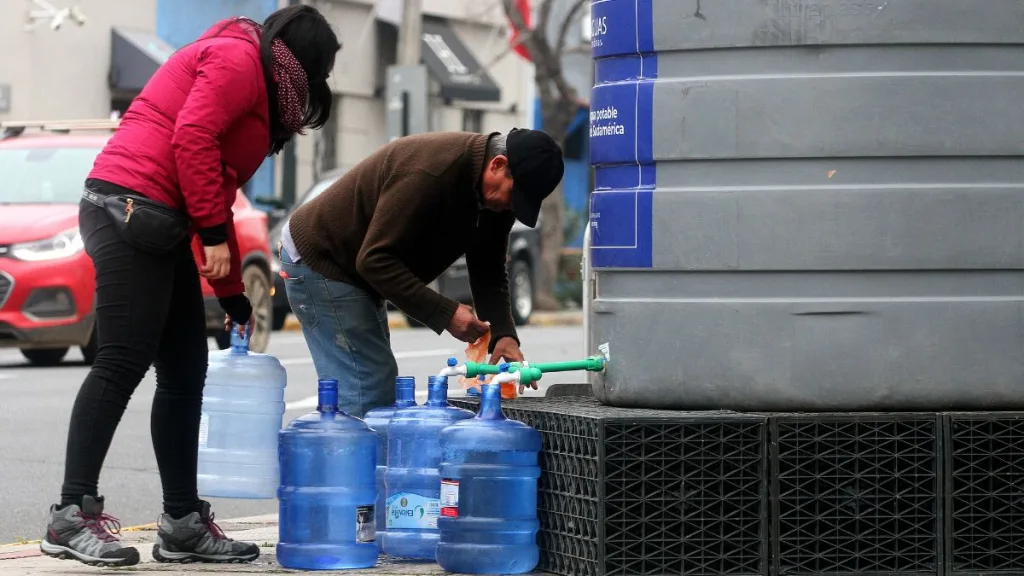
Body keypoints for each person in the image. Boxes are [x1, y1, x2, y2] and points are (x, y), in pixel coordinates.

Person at [41, 6, 341, 568]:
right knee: (122, 360)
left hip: (159, 219)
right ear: (304, 62)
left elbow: (218, 184)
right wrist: (209, 234)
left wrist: (229, 291)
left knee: (184, 371)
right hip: (125, 206)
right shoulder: (237, 59)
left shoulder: (261, 75)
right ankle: (68, 516)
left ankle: (181, 524)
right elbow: (193, 137)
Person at [280, 128, 564, 417]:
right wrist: (447, 314)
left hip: (358, 268)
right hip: (323, 258)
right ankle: (352, 460)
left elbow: (488, 268)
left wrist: (504, 335)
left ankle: (359, 457)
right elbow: (374, 260)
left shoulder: (494, 199)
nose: (510, 206)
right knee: (368, 388)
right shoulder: (432, 172)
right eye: (513, 196)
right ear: (498, 164)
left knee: (375, 386)